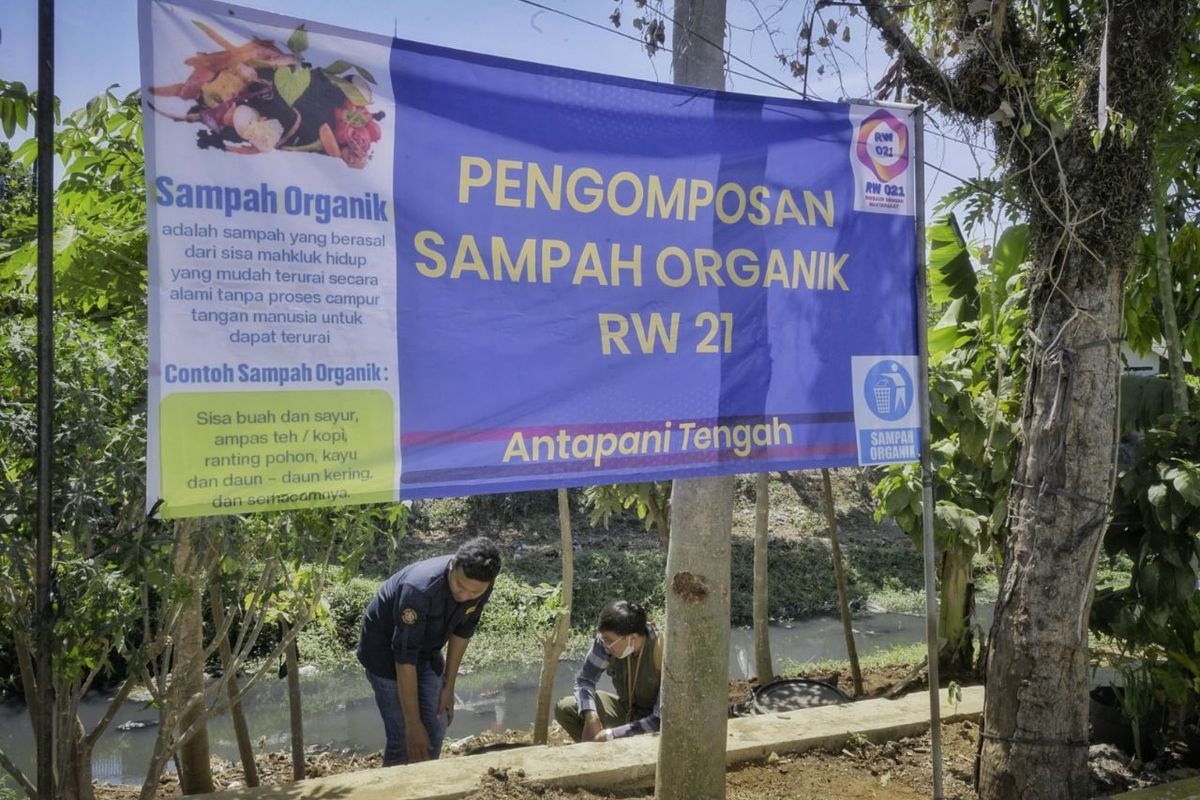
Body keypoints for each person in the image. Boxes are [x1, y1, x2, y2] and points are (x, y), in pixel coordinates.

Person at [357, 536, 502, 765]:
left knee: (436, 726)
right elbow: (404, 658)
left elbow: (463, 631)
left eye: (473, 594)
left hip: (428, 650)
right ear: (453, 564)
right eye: (460, 586)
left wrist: (449, 685)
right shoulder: (419, 589)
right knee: (404, 738)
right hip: (386, 654)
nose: (464, 596)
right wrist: (413, 725)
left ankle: (423, 785)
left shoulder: (482, 583)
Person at [555, 599, 663, 742]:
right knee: (567, 708)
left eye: (609, 640)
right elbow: (585, 679)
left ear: (633, 638)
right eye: (603, 639)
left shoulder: (662, 651)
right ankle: (597, 756)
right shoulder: (609, 641)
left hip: (653, 725)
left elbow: (659, 719)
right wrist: (591, 716)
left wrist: (611, 735)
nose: (605, 645)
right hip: (626, 710)